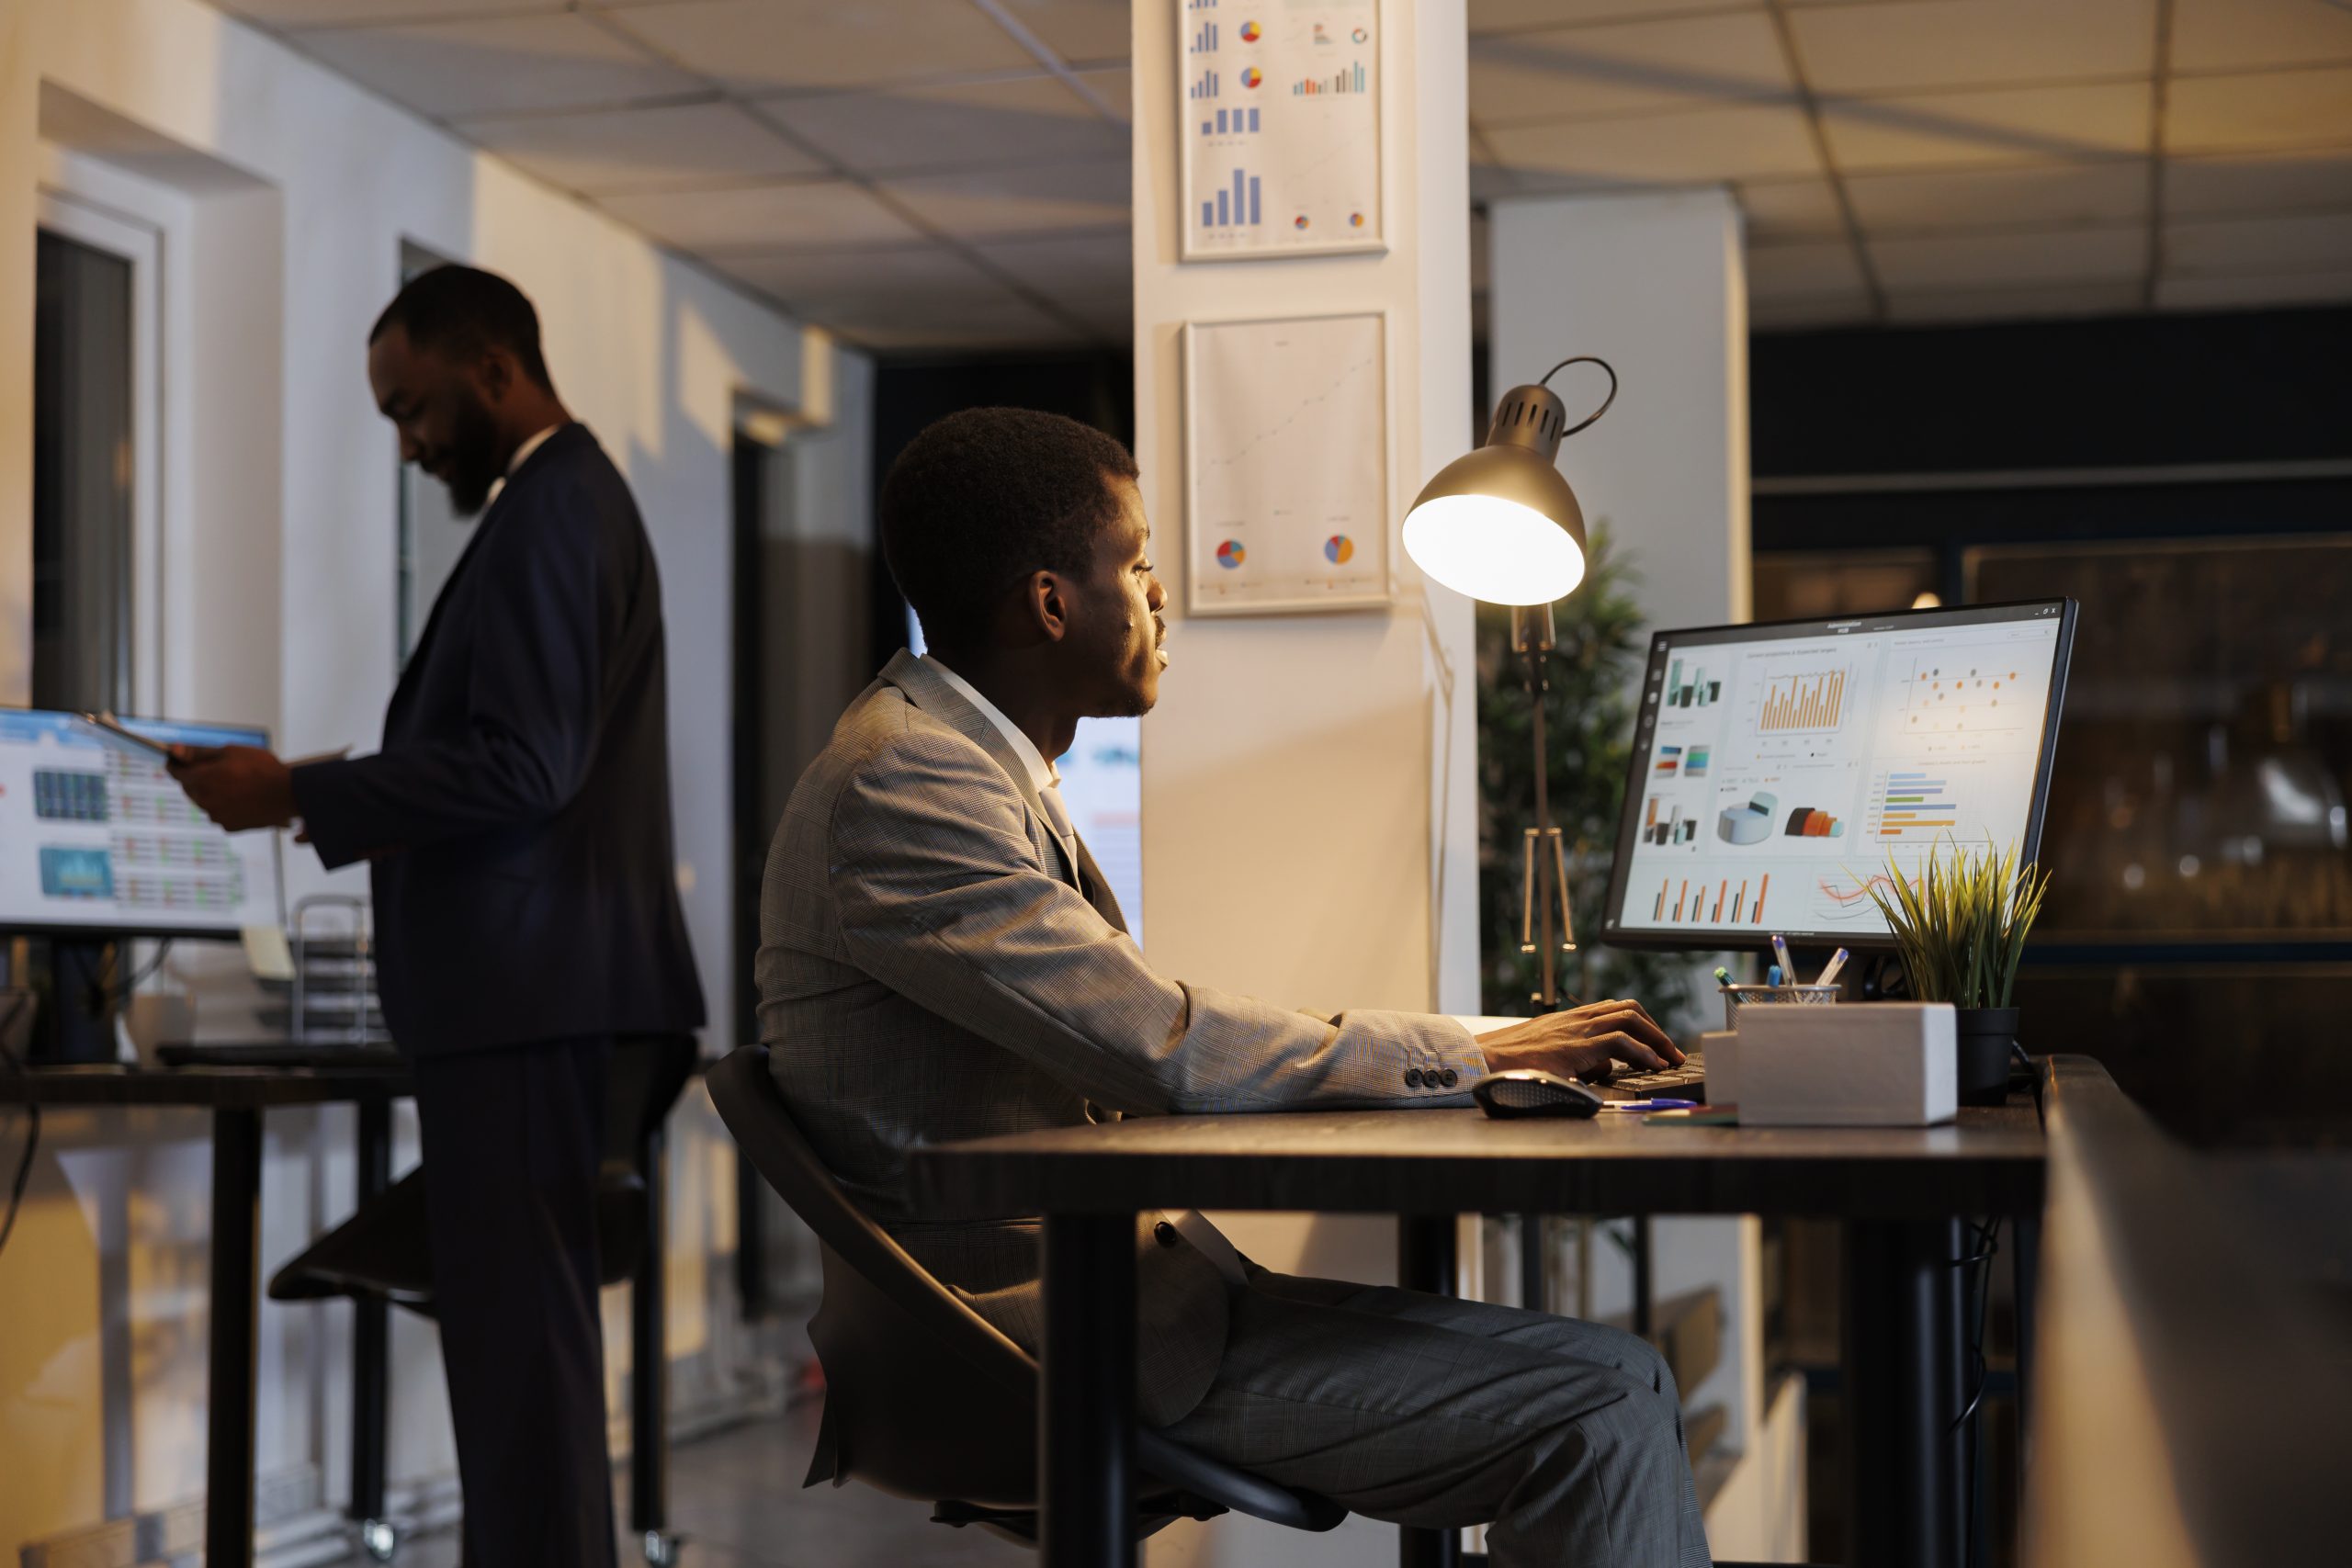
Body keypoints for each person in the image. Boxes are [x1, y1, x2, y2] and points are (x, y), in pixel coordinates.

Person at [756, 407, 1710, 1565]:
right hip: (1032, 1346)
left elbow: (1141, 1029)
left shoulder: (960, 762)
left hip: (1129, 1301)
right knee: (1599, 1413)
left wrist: (1477, 1041)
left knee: (1625, 1374)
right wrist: (1480, 1053)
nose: (1161, 597)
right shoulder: (905, 782)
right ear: (1052, 604)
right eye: (1141, 563)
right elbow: (1163, 1045)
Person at [171, 265, 704, 1568]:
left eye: (414, 409)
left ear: (494, 372)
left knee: (523, 1382)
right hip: (545, 998)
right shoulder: (562, 505)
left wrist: (296, 790)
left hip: (533, 1003)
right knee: (526, 1376)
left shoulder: (554, 511)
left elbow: (528, 765)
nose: (409, 444)